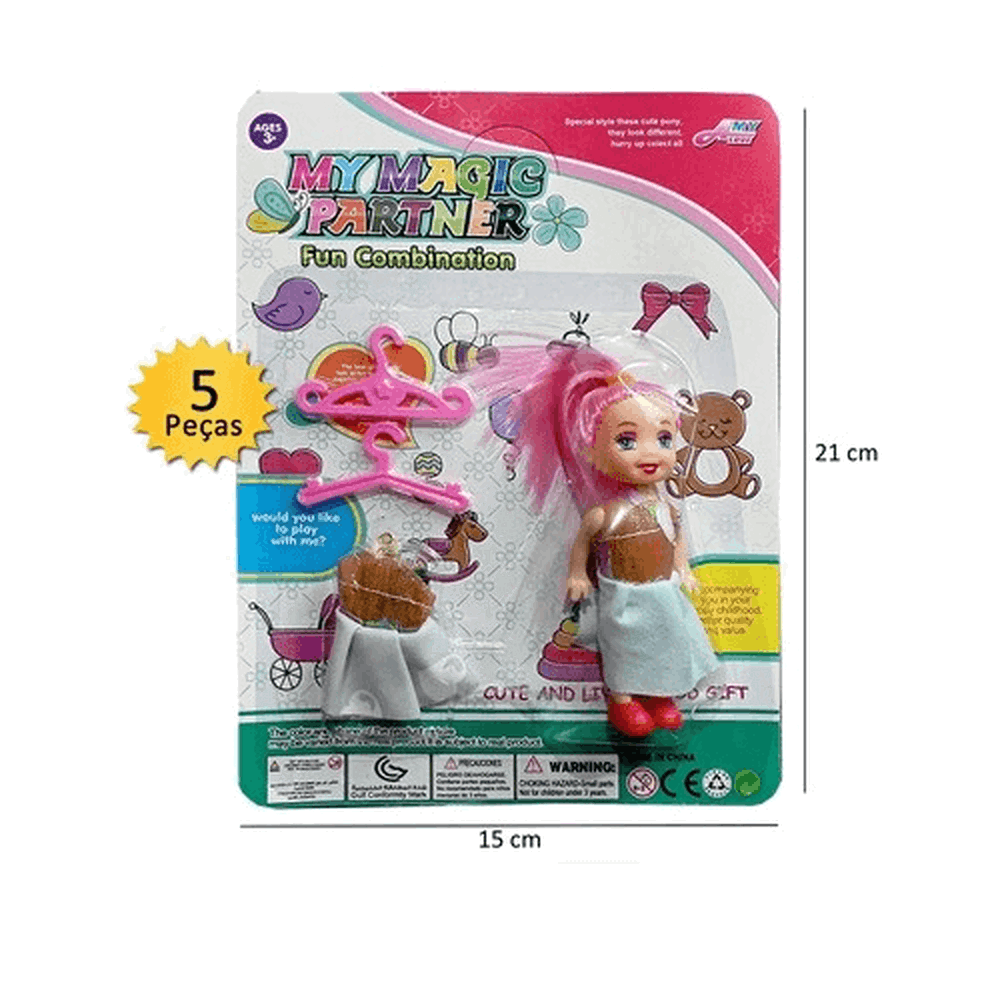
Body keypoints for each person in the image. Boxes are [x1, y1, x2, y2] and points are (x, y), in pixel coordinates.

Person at [475, 342, 718, 737]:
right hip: (623, 596)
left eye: (663, 439)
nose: (649, 453)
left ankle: (662, 695)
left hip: (664, 592)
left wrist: (682, 568)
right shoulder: (604, 513)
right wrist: (577, 575)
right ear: (591, 451)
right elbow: (584, 543)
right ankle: (623, 700)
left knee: (670, 641)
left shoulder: (665, 507)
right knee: (625, 647)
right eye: (627, 441)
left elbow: (677, 539)